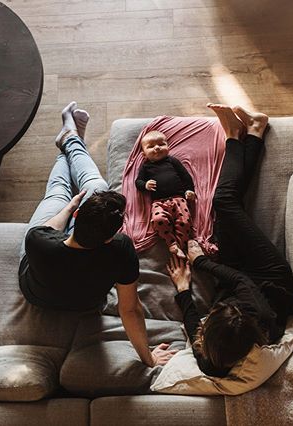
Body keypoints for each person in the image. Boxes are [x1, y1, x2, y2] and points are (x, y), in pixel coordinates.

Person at [19, 102, 176, 367]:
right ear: (109, 237)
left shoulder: (38, 241)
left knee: (59, 192)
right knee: (93, 186)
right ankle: (71, 139)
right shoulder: (119, 249)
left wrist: (69, 206)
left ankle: (70, 140)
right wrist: (148, 358)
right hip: (85, 304)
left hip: (37, 291)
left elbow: (50, 228)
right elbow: (130, 309)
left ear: (78, 216)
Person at [166, 103, 293, 377]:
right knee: (223, 201)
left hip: (234, 275)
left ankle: (254, 131)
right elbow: (242, 282)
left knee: (228, 203)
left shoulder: (209, 360)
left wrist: (182, 290)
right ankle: (234, 137)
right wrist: (199, 261)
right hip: (268, 274)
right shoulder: (260, 318)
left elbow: (193, 325)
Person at [135, 130, 196, 259]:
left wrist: (190, 190)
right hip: (159, 202)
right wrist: (145, 185)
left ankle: (180, 245)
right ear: (143, 153)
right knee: (158, 220)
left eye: (161, 144)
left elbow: (186, 177)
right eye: (151, 146)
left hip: (179, 199)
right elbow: (138, 182)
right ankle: (171, 243)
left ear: (168, 147)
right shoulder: (146, 167)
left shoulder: (172, 161)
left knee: (185, 222)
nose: (157, 147)